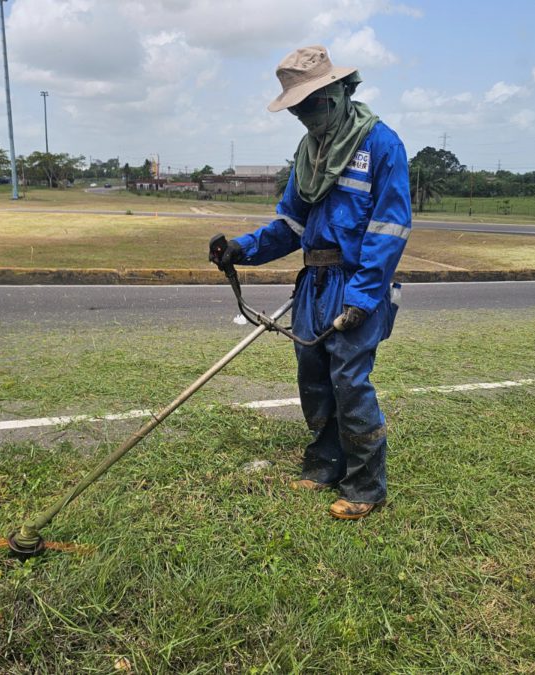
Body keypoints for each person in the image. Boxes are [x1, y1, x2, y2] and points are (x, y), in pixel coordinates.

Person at [209, 45, 410, 520]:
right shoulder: (309, 152)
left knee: (349, 379)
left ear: (339, 92)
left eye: (310, 103)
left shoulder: (382, 145)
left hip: (357, 282)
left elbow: (389, 230)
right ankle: (324, 463)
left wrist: (363, 296)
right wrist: (244, 249)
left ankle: (365, 484)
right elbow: (291, 226)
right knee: (314, 376)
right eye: (296, 107)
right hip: (314, 284)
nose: (303, 115)